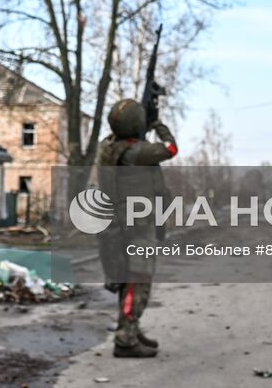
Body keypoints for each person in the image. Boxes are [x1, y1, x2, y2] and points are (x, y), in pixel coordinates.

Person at [97, 98, 178, 358]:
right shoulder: (138, 152)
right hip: (137, 224)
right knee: (138, 280)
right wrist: (157, 123)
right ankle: (126, 339)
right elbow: (171, 148)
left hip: (121, 222)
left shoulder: (109, 147)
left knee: (128, 278)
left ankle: (130, 328)